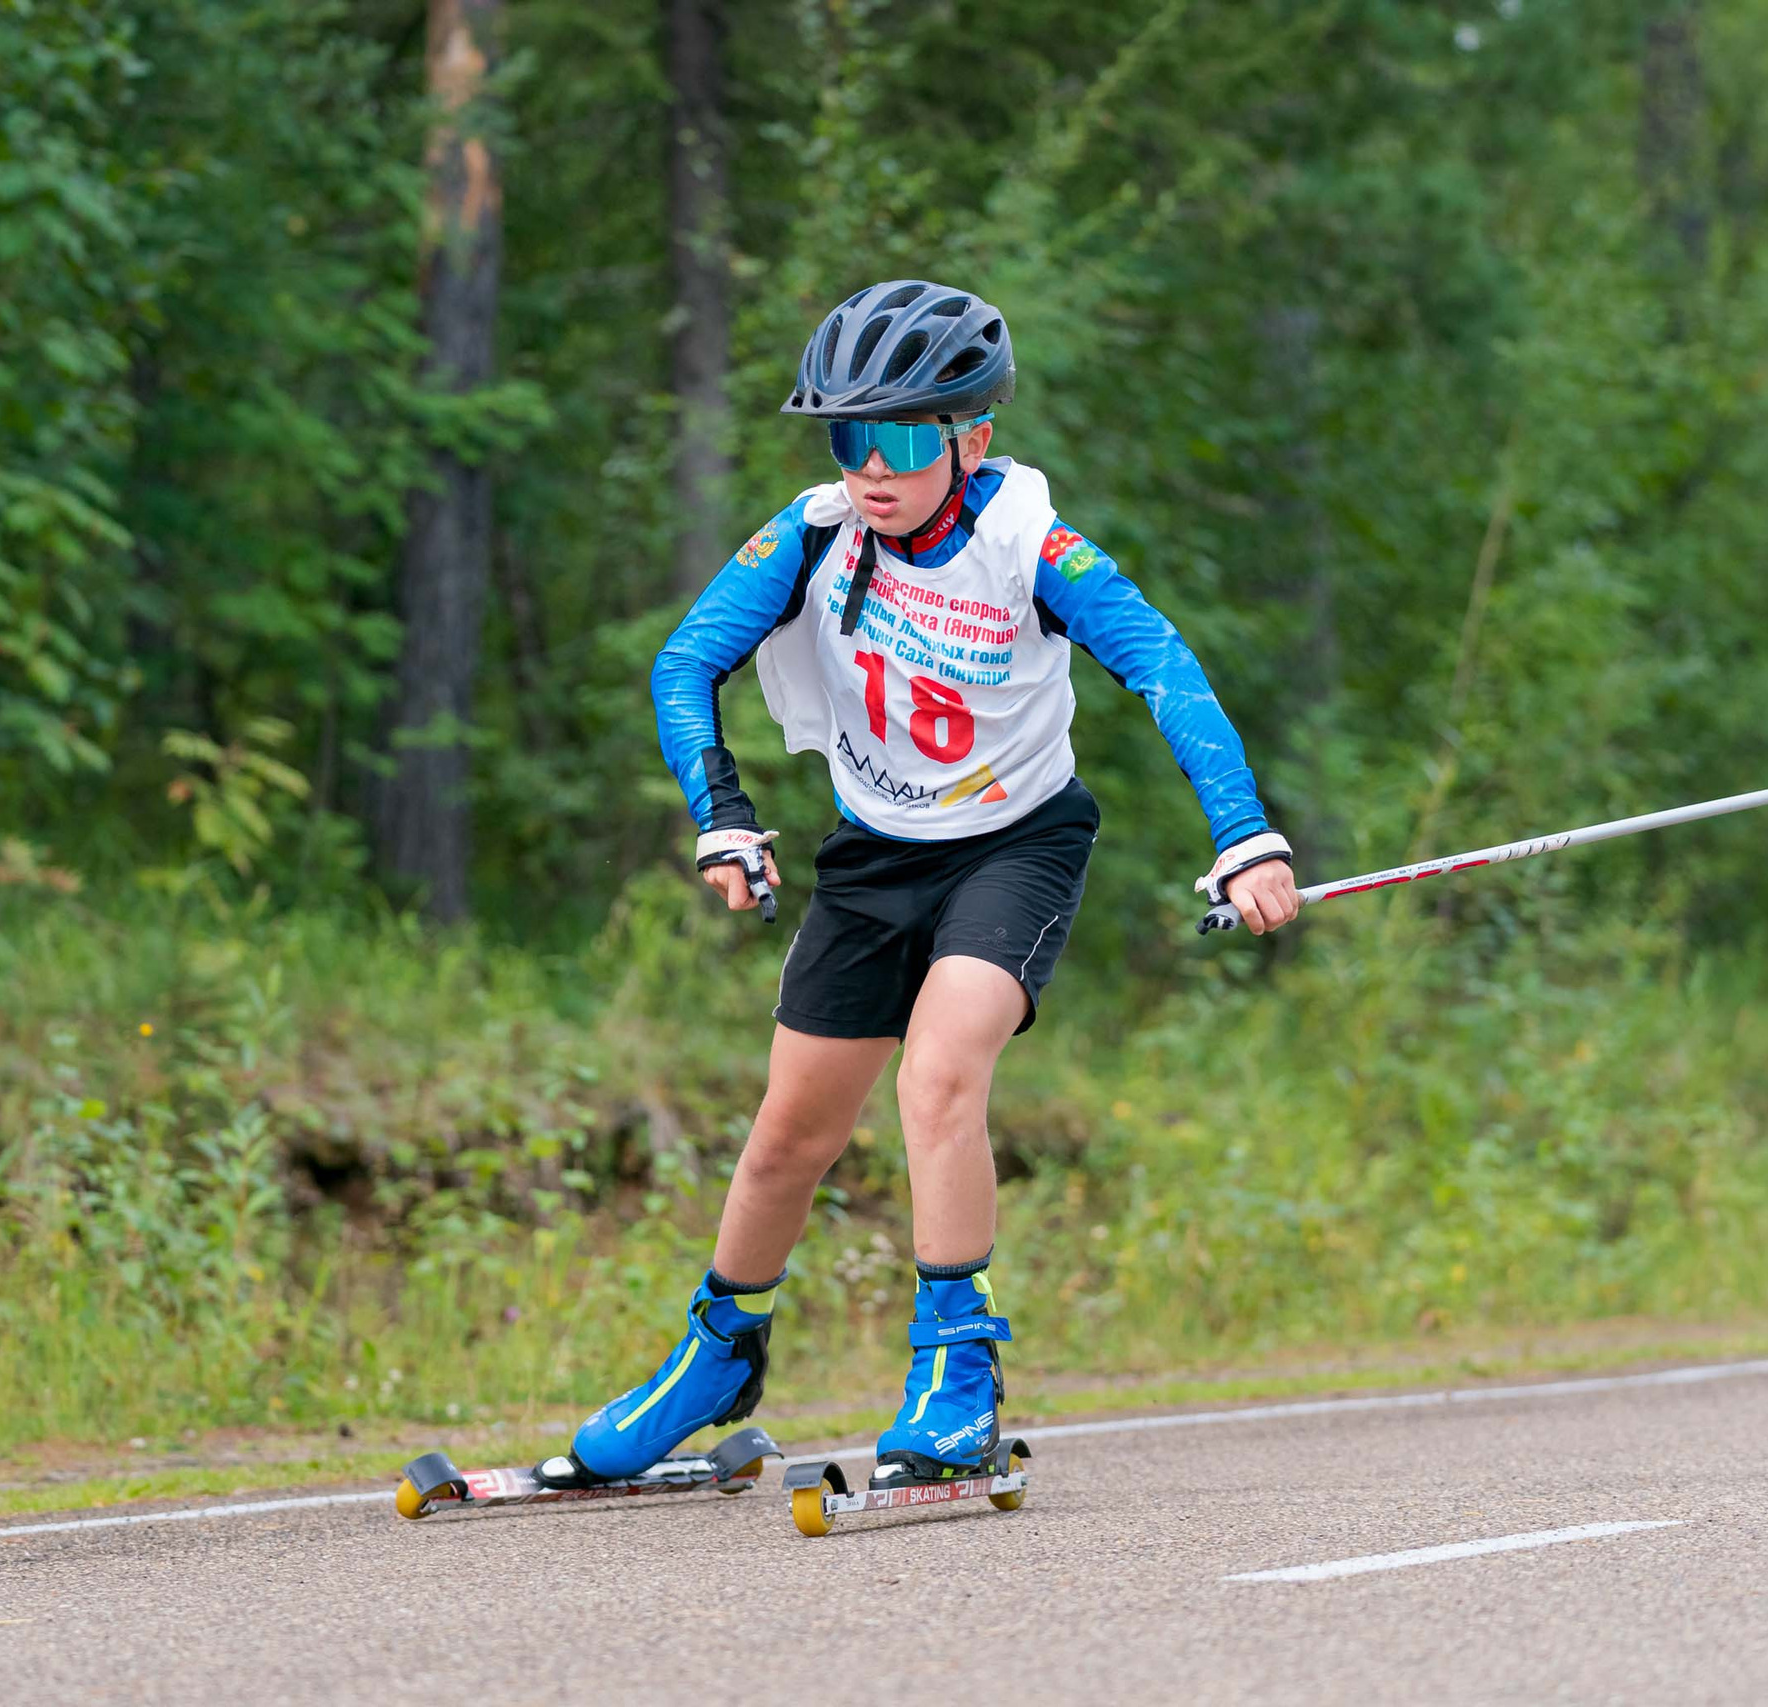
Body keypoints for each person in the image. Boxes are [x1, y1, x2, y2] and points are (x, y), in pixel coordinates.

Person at [540, 280, 1299, 1493]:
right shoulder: (811, 534)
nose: (868, 471)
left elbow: (1165, 667)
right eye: (847, 439)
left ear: (971, 439)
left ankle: (957, 1372)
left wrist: (1245, 835)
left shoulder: (1030, 545)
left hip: (1015, 847)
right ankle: (717, 1357)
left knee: (938, 1076)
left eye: (898, 442)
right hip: (873, 853)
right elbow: (683, 663)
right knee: (788, 1135)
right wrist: (722, 818)